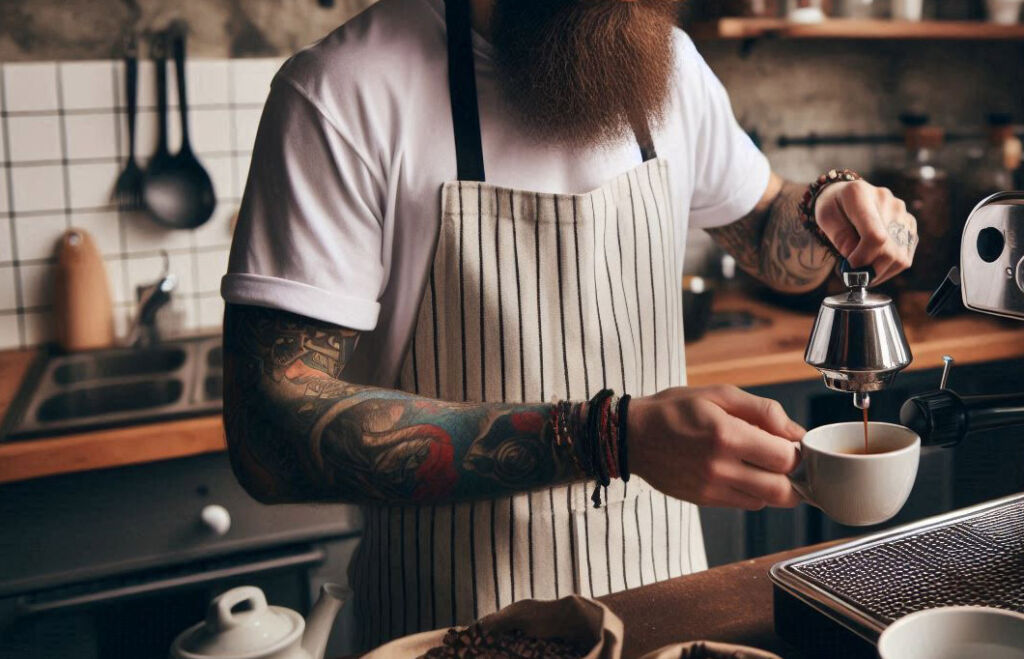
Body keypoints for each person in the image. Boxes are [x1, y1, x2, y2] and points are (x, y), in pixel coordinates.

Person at [220, 0, 918, 649]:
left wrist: (826, 210)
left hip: (666, 612)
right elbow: (271, 432)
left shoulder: (664, 62)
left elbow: (766, 229)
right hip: (456, 627)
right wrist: (606, 436)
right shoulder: (345, 91)